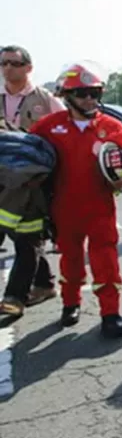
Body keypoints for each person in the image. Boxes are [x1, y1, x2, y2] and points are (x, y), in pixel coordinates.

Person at [29, 62, 122, 335]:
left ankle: (110, 313)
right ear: (67, 97)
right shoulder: (48, 126)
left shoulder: (112, 126)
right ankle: (71, 303)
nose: (90, 99)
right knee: (70, 259)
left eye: (94, 93)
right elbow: (27, 157)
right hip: (63, 208)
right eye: (82, 93)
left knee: (106, 260)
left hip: (101, 207)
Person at [0, 45, 65, 315]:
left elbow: (65, 131)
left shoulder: (46, 99)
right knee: (19, 236)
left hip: (33, 183)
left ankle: (15, 297)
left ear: (28, 67)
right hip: (3, 180)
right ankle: (44, 283)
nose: (7, 68)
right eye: (3, 63)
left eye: (14, 63)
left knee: (28, 236)